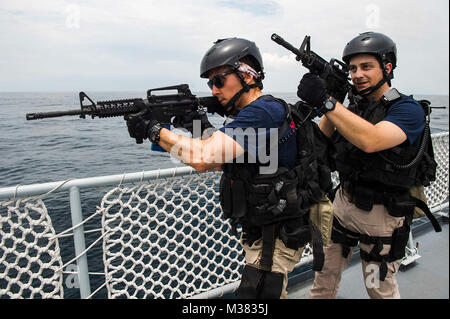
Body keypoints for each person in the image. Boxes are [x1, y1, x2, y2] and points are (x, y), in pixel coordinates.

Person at [124, 37, 332, 299]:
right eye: (210, 83)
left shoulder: (263, 112)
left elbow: (203, 158)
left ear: (247, 75)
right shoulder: (257, 114)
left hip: (276, 236)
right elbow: (221, 155)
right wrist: (194, 125)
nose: (213, 90)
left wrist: (154, 131)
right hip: (265, 229)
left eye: (219, 81)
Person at [296, 31, 439, 299]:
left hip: (381, 217)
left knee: (378, 289)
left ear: (387, 68)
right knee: (323, 282)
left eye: (366, 66)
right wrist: (332, 101)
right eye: (352, 68)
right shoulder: (352, 108)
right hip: (343, 205)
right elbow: (321, 143)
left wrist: (328, 103)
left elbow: (370, 140)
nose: (357, 74)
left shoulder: (408, 110)